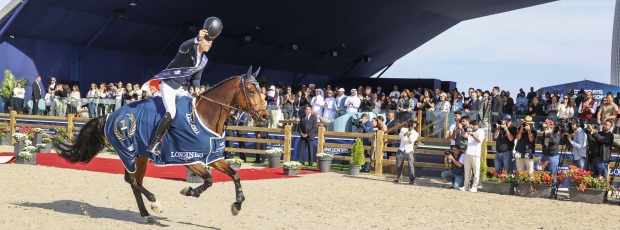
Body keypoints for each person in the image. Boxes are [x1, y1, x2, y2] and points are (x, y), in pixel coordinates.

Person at [147, 17, 222, 155]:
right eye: (208, 42)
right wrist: (196, 38)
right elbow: (182, 46)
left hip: (183, 89)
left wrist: (197, 88)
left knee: (194, 110)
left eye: (211, 43)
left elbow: (197, 78)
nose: (210, 45)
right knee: (172, 112)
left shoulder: (204, 60)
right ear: (201, 41)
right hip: (169, 85)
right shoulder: (189, 49)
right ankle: (154, 143)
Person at [460, 120, 484, 193]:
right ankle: (466, 186)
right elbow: (463, 135)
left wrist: (472, 134)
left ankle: (474, 186)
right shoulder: (470, 131)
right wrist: (465, 129)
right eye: (472, 125)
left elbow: (479, 140)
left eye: (474, 125)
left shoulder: (481, 131)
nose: (473, 126)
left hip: (475, 154)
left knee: (476, 171)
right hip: (468, 153)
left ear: (477, 125)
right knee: (467, 171)